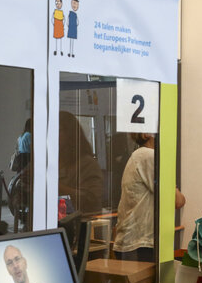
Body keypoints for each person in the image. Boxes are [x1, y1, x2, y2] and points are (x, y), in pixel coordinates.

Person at [113, 133, 185, 262]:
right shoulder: (148, 156)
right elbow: (177, 201)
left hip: (134, 242)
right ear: (146, 134)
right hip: (140, 245)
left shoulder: (139, 155)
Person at [58, 110, 104, 214]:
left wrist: (58, 188)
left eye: (57, 130)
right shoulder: (50, 162)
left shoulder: (87, 164)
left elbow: (92, 200)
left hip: (78, 225)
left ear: (69, 133)